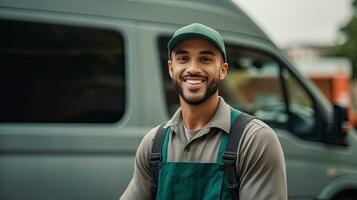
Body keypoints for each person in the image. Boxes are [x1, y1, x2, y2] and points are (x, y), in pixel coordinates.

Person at [120, 23, 287, 200]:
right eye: (183, 59)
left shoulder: (254, 140)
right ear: (171, 68)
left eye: (205, 59)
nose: (192, 68)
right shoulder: (153, 144)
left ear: (223, 70)